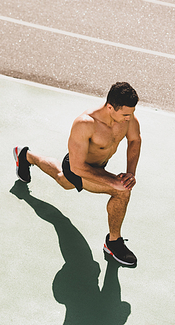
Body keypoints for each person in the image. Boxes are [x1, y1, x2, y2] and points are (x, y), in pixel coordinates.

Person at [13, 82, 141, 266]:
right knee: (121, 191)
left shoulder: (127, 117)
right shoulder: (86, 123)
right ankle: (113, 242)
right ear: (110, 107)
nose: (130, 118)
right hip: (78, 167)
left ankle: (26, 155)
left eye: (132, 113)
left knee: (62, 180)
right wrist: (113, 182)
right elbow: (77, 167)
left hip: (96, 166)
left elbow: (135, 140)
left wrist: (130, 172)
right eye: (126, 114)